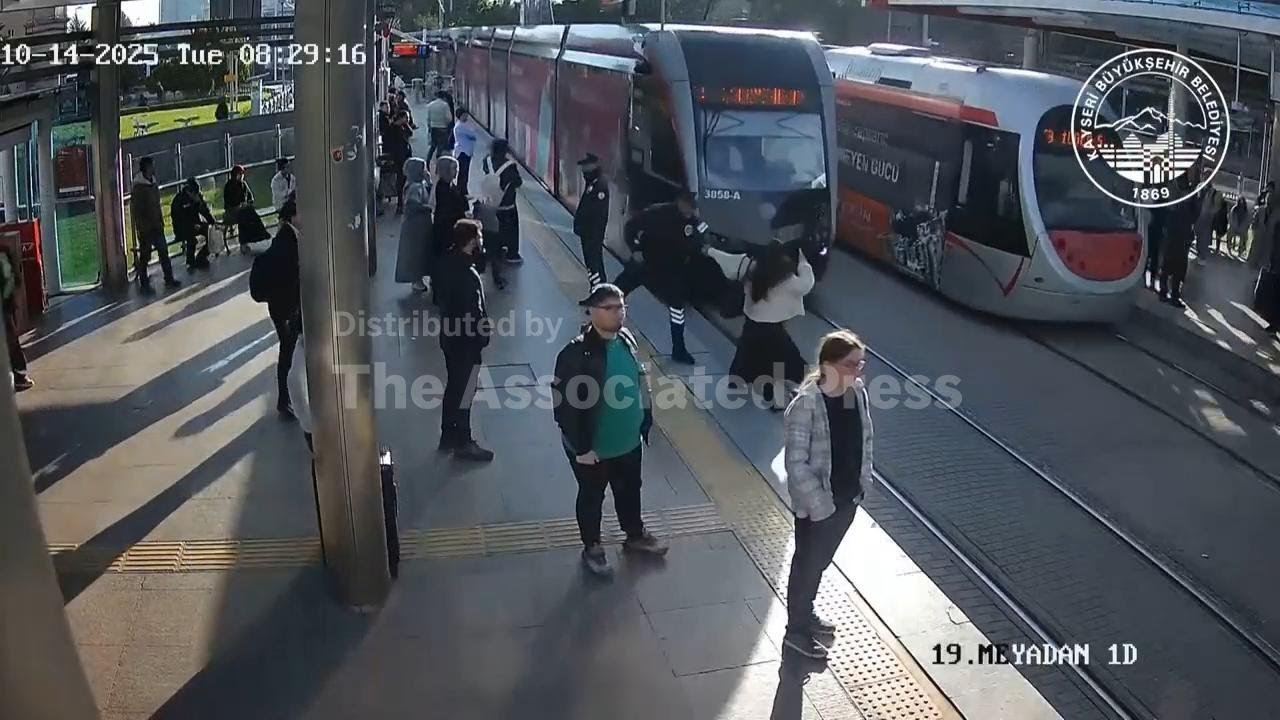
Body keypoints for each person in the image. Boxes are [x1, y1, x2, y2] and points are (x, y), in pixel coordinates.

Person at [551, 283, 668, 576]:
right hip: (594, 447)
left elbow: (639, 378)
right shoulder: (575, 354)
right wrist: (581, 448)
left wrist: (644, 418)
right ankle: (592, 546)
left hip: (628, 440)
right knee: (592, 496)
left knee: (630, 490)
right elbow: (564, 406)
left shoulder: (626, 338)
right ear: (592, 312)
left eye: (621, 307)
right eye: (610, 308)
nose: (619, 314)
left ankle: (635, 534)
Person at [781, 329, 874, 660]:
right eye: (851, 364)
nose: (857, 371)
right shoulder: (805, 405)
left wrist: (863, 483)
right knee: (806, 564)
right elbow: (795, 464)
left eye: (860, 364)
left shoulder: (856, 393)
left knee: (819, 563)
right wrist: (822, 507)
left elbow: (864, 440)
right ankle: (796, 631)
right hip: (819, 506)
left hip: (848, 498)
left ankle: (805, 615)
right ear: (828, 364)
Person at [707, 240, 815, 409]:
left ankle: (738, 383)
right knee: (783, 362)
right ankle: (778, 401)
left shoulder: (750, 267)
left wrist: (710, 250)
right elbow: (806, 284)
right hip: (774, 330)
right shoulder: (786, 277)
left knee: (749, 357)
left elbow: (729, 262)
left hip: (752, 326)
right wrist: (803, 261)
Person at [615, 191, 708, 365]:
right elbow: (631, 227)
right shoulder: (657, 212)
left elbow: (700, 241)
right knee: (617, 290)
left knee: (677, 309)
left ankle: (678, 350)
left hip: (672, 270)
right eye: (689, 206)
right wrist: (635, 250)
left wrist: (699, 232)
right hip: (647, 262)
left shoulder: (696, 222)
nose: (691, 212)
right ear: (681, 201)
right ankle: (599, 322)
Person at [436, 220, 495, 461]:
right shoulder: (468, 275)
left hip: (450, 338)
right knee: (465, 391)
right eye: (479, 237)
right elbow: (474, 313)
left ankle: (447, 436)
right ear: (471, 241)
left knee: (454, 387)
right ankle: (464, 441)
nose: (481, 241)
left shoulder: (446, 263)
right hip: (466, 343)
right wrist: (483, 337)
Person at [263, 200, 302, 417]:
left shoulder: (289, 237)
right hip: (285, 308)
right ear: (292, 217)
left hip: (285, 306)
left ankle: (286, 398)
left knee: (289, 351)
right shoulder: (286, 242)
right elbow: (289, 276)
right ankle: (284, 399)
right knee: (287, 353)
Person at [131, 156, 180, 293]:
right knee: (145, 255)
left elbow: (156, 205)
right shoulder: (139, 187)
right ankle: (144, 283)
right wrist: (142, 227)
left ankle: (169, 278)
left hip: (157, 225)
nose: (154, 168)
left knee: (164, 252)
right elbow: (138, 210)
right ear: (146, 167)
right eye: (152, 165)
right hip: (146, 228)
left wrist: (160, 221)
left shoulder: (153, 183)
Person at [573, 152, 610, 306]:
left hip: (592, 235)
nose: (583, 171)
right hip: (588, 233)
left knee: (594, 267)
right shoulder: (593, 183)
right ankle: (596, 294)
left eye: (585, 167)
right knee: (592, 266)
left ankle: (599, 298)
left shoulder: (599, 186)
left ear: (593, 166)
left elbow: (598, 214)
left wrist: (593, 235)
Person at [394, 157, 433, 293]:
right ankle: (416, 280)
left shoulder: (416, 184)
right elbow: (412, 205)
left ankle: (418, 278)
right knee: (417, 254)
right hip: (416, 227)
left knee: (420, 252)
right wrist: (428, 208)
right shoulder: (415, 187)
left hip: (418, 226)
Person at [482, 138, 524, 264]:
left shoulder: (486, 160)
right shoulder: (510, 165)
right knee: (511, 229)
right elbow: (518, 182)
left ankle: (493, 251)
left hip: (490, 203)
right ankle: (512, 255)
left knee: (493, 228)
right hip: (507, 204)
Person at [432, 155, 469, 293]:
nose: (457, 171)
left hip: (447, 227)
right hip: (445, 229)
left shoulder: (447, 185)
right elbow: (451, 207)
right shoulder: (444, 188)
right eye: (454, 168)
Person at [1161, 176, 1197, 307]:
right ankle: (1170, 294)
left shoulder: (1176, 189)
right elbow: (1192, 214)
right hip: (1178, 232)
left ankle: (1168, 293)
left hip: (1177, 231)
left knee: (1172, 265)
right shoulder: (1181, 190)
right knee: (1173, 265)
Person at [0, 245, 31, 391]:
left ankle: (18, 375)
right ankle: (18, 375)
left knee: (9, 340)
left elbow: (10, 280)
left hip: (4, 307)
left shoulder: (2, 255)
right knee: (10, 340)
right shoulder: (4, 253)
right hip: (6, 305)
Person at [171, 178, 217, 273]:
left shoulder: (197, 197)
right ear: (189, 191)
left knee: (210, 232)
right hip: (182, 228)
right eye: (194, 194)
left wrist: (213, 223)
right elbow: (178, 219)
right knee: (191, 239)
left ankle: (202, 256)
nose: (196, 195)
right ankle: (191, 261)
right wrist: (192, 225)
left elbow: (205, 212)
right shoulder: (179, 200)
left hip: (196, 224)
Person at [223, 165, 271, 253]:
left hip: (243, 209)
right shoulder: (229, 186)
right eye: (240, 174)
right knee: (245, 214)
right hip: (232, 211)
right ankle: (246, 241)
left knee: (248, 212)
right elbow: (228, 203)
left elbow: (250, 197)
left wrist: (247, 203)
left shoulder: (243, 184)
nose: (242, 176)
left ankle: (257, 235)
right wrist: (239, 205)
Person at [385, 112, 414, 215]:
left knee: (404, 178)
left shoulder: (403, 126)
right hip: (398, 157)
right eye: (406, 118)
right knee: (400, 179)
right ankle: (400, 203)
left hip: (404, 156)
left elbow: (411, 133)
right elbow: (390, 143)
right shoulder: (392, 128)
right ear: (401, 118)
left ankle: (402, 201)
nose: (407, 120)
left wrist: (406, 124)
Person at [453, 107, 478, 196]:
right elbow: (473, 135)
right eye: (464, 115)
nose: (466, 116)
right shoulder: (460, 126)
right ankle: (462, 191)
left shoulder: (462, 125)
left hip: (465, 151)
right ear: (460, 116)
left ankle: (463, 190)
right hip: (463, 152)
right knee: (463, 173)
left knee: (464, 173)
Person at [424, 91, 453, 164]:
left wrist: (430, 127)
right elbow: (449, 118)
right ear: (444, 97)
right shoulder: (445, 105)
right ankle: (439, 161)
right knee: (441, 146)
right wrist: (446, 124)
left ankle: (428, 160)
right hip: (443, 128)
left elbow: (428, 118)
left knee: (433, 146)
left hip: (433, 128)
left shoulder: (430, 105)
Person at [1145, 206, 1165, 293]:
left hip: (1153, 230)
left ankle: (1147, 283)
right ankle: (1150, 283)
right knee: (1153, 259)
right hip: (1155, 231)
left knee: (1151, 258)